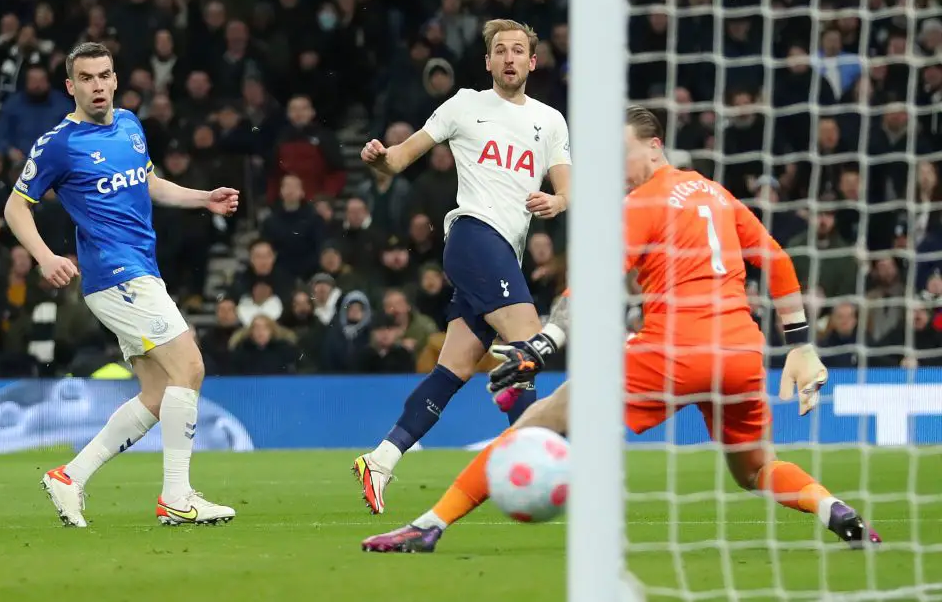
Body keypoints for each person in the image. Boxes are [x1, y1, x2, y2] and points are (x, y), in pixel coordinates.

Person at [360, 106, 882, 552]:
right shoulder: (715, 194)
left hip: (673, 350)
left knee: (536, 423)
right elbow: (776, 259)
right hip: (741, 356)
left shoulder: (643, 202)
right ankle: (834, 511)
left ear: (653, 146)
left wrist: (543, 343)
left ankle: (430, 526)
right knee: (754, 470)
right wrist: (800, 345)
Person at [3, 42, 239, 527]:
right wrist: (46, 257)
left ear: (115, 79)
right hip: (115, 275)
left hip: (141, 270)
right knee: (189, 367)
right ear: (71, 87)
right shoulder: (59, 143)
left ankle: (70, 476)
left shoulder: (131, 125)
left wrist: (202, 198)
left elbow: (147, 182)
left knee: (157, 394)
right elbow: (14, 207)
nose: (97, 86)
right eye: (85, 78)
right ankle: (177, 496)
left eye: (104, 76)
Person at [352, 19, 572, 515]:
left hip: (502, 253)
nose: (511, 57)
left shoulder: (550, 120)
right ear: (488, 62)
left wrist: (558, 202)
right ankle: (539, 455)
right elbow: (399, 160)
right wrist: (379, 158)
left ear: (533, 62)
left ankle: (380, 459)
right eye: (501, 50)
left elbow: (566, 186)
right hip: (474, 236)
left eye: (519, 50)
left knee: (453, 369)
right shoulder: (463, 105)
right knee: (528, 335)